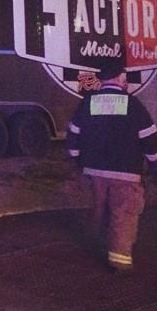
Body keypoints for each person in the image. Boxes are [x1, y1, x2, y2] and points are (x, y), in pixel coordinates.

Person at [67, 59, 157, 272]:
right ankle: (119, 259)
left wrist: (78, 160)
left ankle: (96, 245)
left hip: (93, 171)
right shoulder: (133, 105)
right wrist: (154, 166)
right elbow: (150, 141)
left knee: (99, 209)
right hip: (126, 173)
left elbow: (73, 135)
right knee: (123, 213)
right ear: (121, 78)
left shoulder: (88, 103)